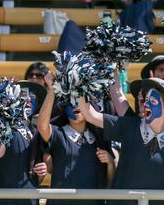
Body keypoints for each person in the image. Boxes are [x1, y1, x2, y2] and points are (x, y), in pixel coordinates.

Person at [79, 77, 164, 205]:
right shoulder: (131, 125)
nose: (146, 104)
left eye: (152, 101)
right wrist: (78, 87)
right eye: (146, 100)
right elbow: (91, 115)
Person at [37, 73, 115, 205]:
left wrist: (111, 163)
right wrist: (51, 90)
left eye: (80, 100)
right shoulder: (58, 134)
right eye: (71, 101)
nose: (76, 105)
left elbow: (109, 185)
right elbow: (42, 126)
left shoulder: (100, 138)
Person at [0, 81, 48, 205]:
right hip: (0, 199)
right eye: (22, 96)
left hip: (28, 199)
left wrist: (41, 172)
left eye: (32, 98)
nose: (27, 101)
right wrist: (1, 118)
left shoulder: (36, 132)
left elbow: (35, 176)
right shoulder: (0, 124)